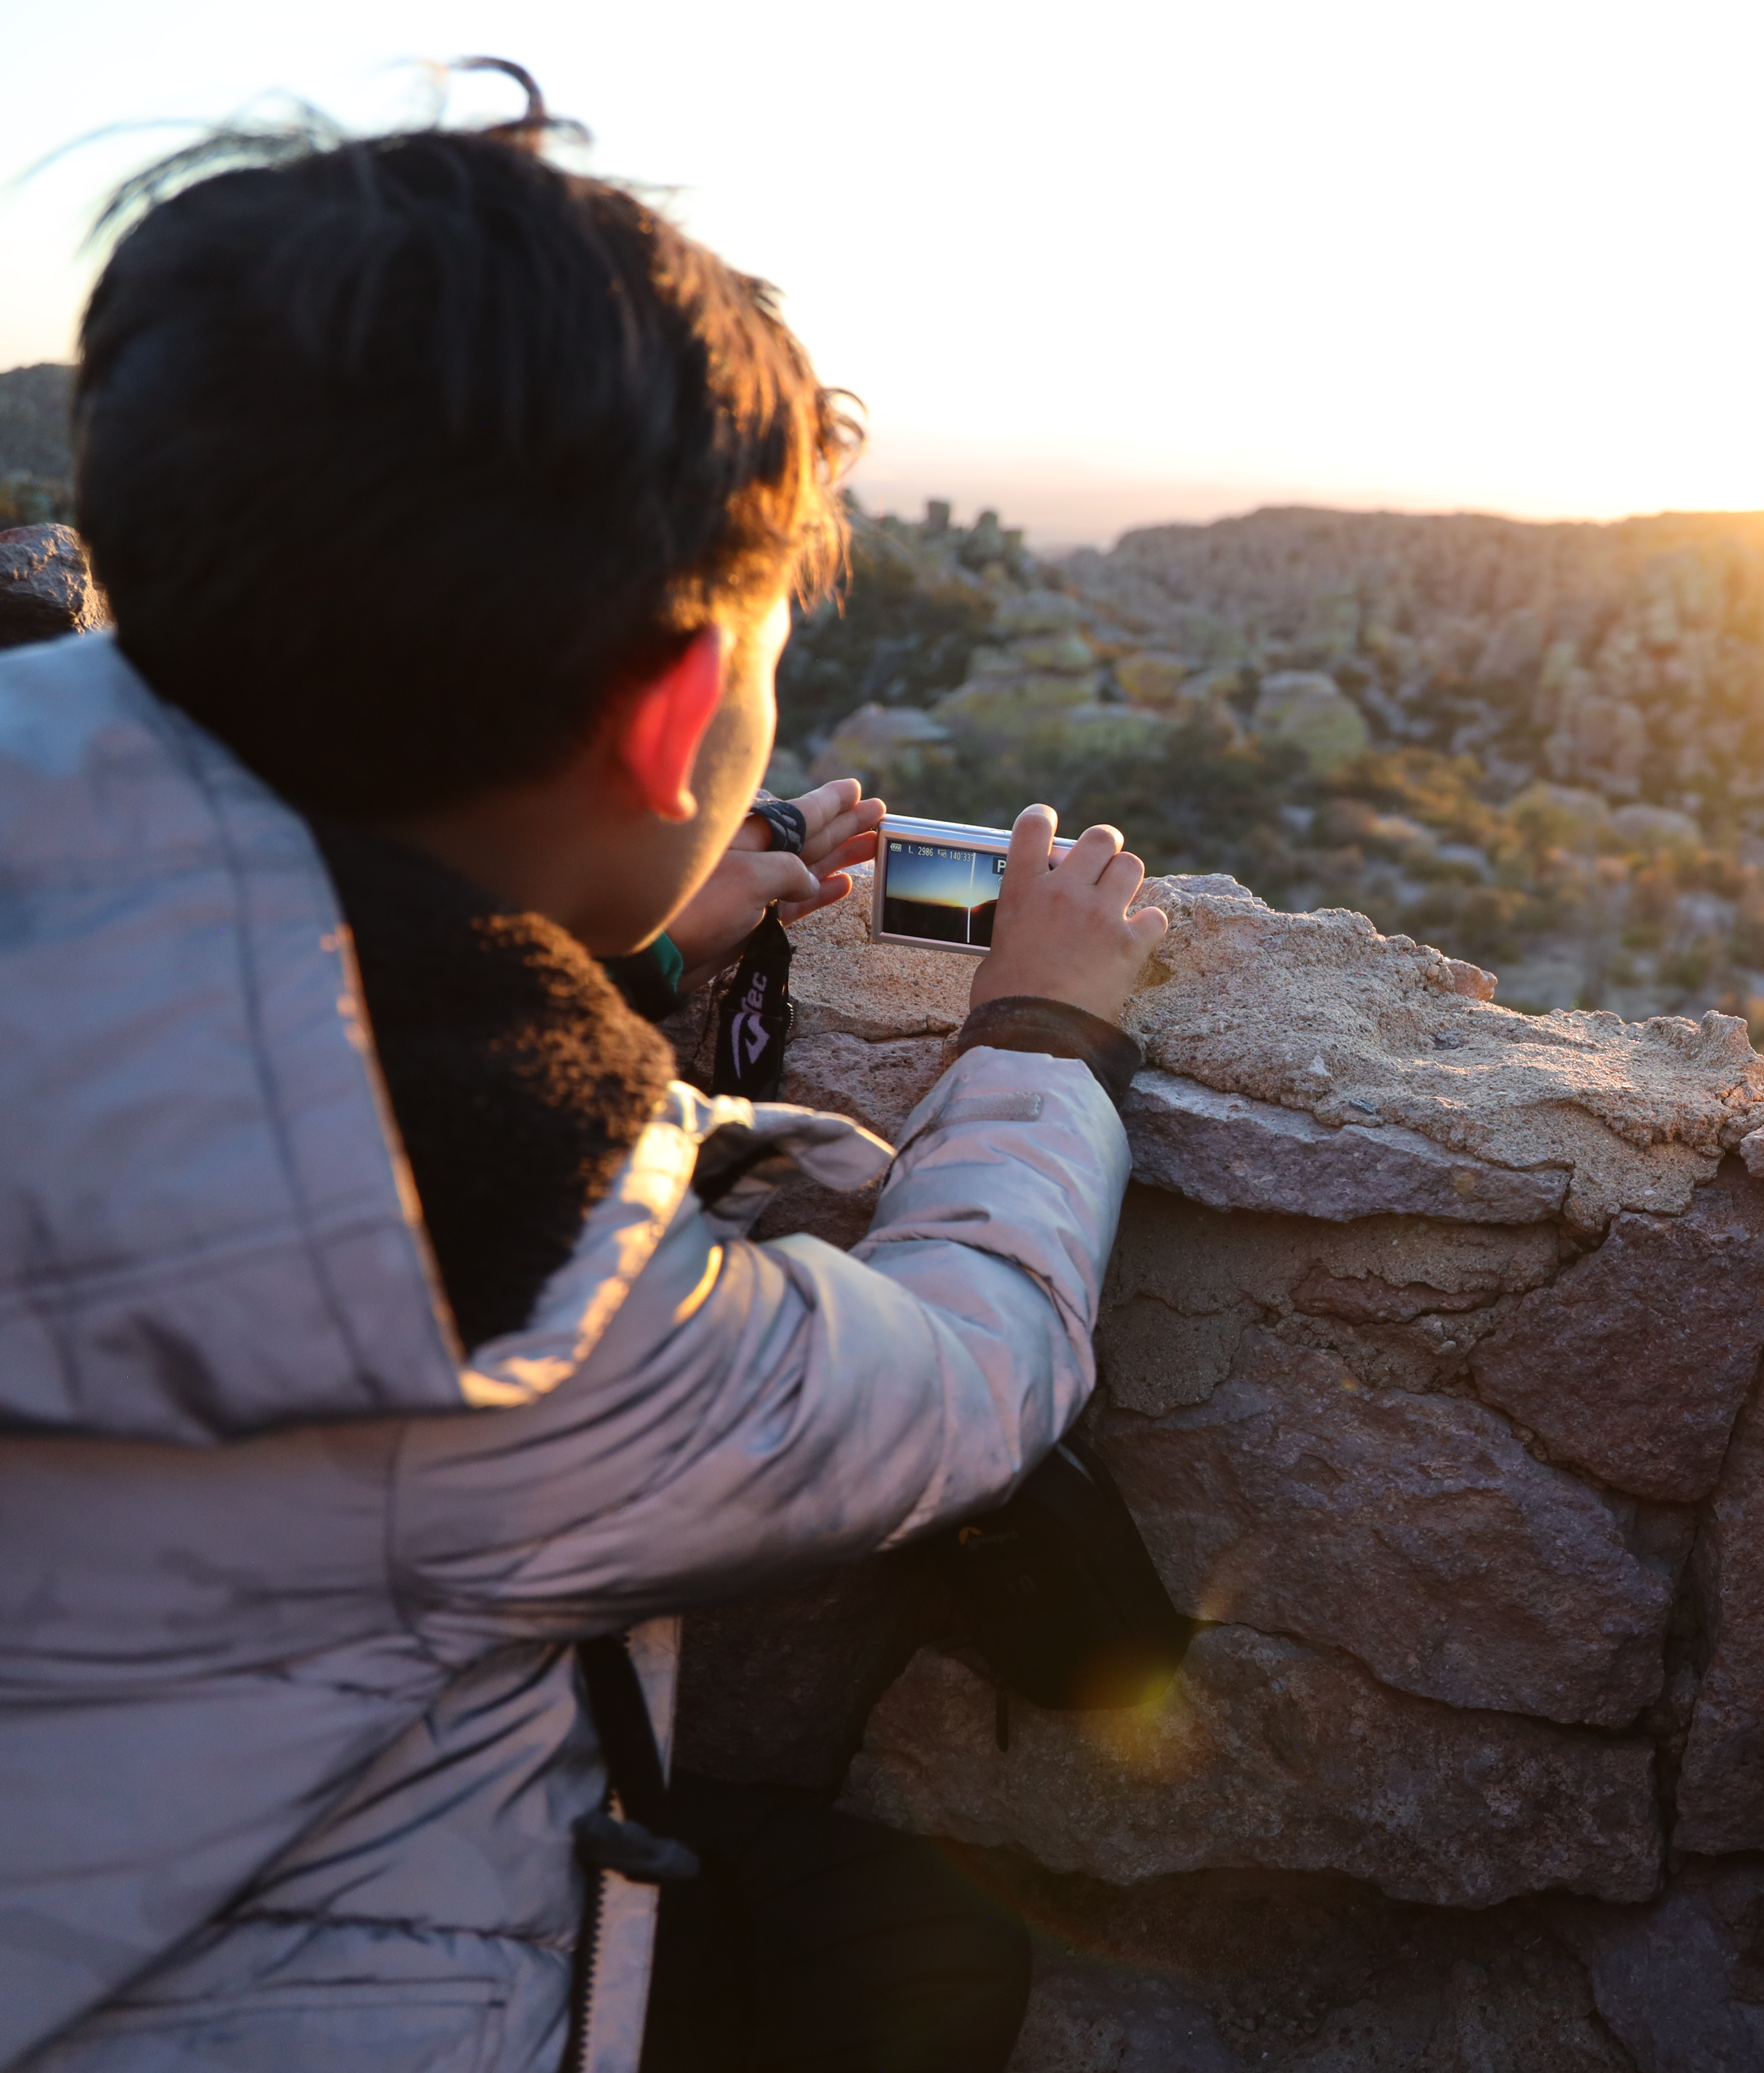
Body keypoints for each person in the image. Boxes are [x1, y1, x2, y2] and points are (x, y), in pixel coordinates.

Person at [0, 74, 1166, 2073]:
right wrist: (1046, 1043)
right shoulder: (517, 1299)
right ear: (684, 708)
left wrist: (604, 944)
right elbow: (960, 1392)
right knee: (895, 1961)